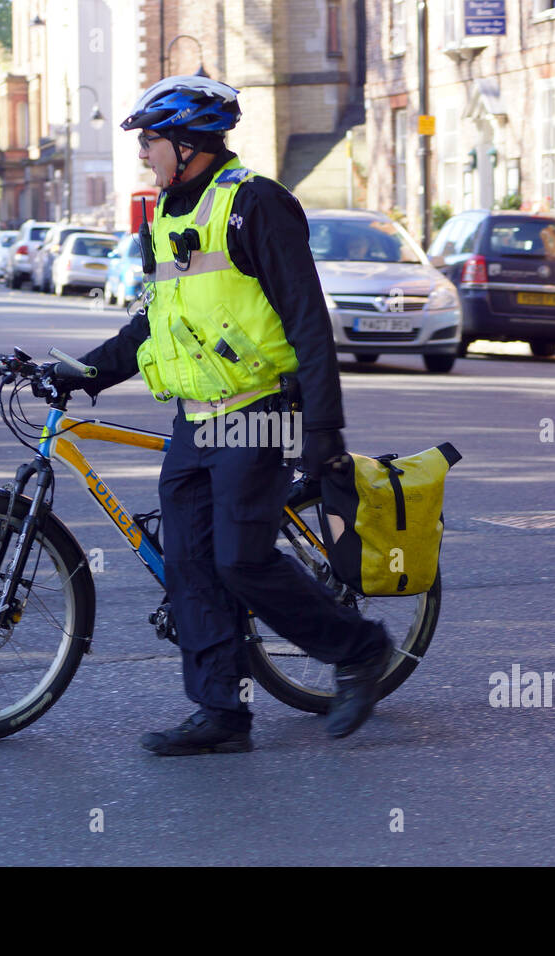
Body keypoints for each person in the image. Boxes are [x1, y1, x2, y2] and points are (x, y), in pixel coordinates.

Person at [45, 75, 393, 755]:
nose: (143, 153)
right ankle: (222, 713)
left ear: (189, 142)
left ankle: (360, 650)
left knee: (240, 560)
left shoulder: (255, 204)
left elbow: (306, 320)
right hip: (195, 421)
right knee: (193, 568)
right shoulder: (171, 218)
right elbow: (154, 324)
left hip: (259, 412)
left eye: (151, 140)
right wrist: (84, 372)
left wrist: (322, 428)